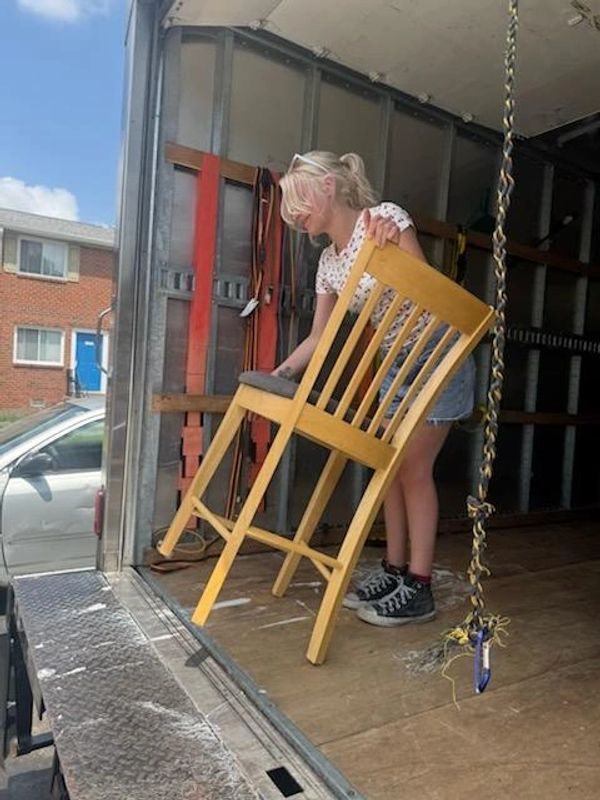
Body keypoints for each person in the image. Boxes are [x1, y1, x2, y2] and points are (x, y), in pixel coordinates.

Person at [273, 151, 475, 627]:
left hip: (435, 356)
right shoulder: (327, 263)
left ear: (327, 188)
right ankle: (395, 569)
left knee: (413, 468)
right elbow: (319, 337)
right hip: (393, 367)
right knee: (389, 469)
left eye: (298, 202)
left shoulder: (384, 218)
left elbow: (429, 291)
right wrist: (281, 373)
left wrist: (393, 247)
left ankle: (419, 587)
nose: (294, 216)